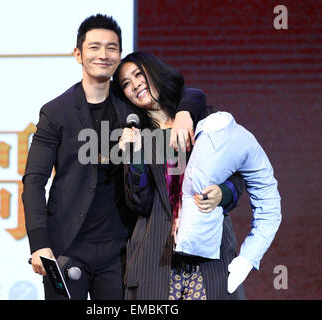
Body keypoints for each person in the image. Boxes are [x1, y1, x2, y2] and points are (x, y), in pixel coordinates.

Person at [22, 15, 212, 300]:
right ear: (78, 54)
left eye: (111, 48)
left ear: (119, 55)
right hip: (66, 246)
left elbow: (189, 92)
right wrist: (39, 244)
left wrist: (184, 113)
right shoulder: (56, 112)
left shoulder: (130, 101)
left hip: (122, 249)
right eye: (95, 47)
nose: (103, 54)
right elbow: (34, 181)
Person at [115, 51, 247, 300]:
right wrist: (135, 158)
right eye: (126, 84)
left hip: (209, 254)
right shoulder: (138, 135)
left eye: (138, 74)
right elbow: (140, 204)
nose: (135, 85)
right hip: (157, 257)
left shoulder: (204, 120)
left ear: (153, 72)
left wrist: (222, 192)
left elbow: (237, 176)